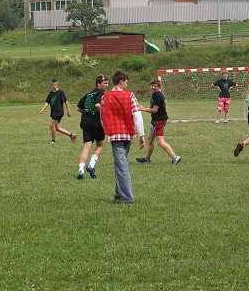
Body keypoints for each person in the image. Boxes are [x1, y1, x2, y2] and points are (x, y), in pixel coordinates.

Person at [101, 71, 145, 204]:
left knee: (121, 165)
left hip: (115, 135)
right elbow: (137, 115)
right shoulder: (130, 95)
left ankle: (127, 198)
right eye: (126, 82)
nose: (127, 84)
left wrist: (106, 129)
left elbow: (102, 116)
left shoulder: (106, 97)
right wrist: (141, 134)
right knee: (121, 164)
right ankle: (119, 193)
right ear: (121, 81)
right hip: (128, 134)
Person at [136, 78, 181, 165]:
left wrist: (143, 108)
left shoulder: (158, 95)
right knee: (150, 140)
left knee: (160, 142)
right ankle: (147, 159)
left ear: (159, 86)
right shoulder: (156, 94)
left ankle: (175, 157)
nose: (153, 87)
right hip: (155, 120)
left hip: (159, 121)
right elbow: (165, 102)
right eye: (152, 85)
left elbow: (155, 110)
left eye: (155, 86)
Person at [75, 74, 109, 179]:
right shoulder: (100, 93)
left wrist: (87, 112)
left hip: (85, 123)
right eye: (105, 83)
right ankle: (91, 165)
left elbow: (79, 108)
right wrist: (104, 114)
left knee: (86, 147)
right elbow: (97, 105)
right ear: (98, 84)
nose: (107, 85)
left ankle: (81, 169)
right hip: (96, 123)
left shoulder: (88, 94)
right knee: (100, 145)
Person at [39, 79, 76, 145]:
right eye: (53, 85)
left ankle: (53, 141)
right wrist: (42, 109)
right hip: (53, 112)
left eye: (55, 85)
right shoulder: (51, 93)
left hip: (59, 112)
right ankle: (71, 135)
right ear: (51, 85)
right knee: (57, 128)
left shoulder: (60, 92)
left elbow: (66, 102)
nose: (54, 86)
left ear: (57, 84)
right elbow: (47, 102)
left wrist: (68, 111)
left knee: (52, 125)